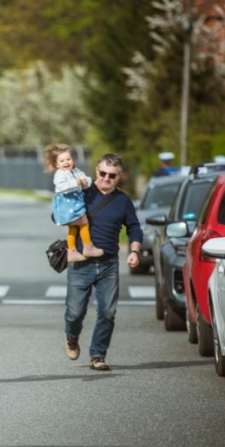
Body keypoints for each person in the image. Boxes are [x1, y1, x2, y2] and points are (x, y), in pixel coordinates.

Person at [63, 153, 143, 371]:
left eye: (112, 175)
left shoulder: (123, 201)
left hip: (109, 264)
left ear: (119, 177)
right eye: (103, 173)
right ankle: (71, 336)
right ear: (96, 170)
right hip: (81, 263)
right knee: (75, 312)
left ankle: (98, 355)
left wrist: (134, 250)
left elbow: (134, 228)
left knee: (107, 312)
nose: (107, 178)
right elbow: (58, 213)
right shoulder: (82, 193)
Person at [44, 144, 104, 263]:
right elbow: (61, 188)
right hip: (69, 205)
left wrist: (84, 181)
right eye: (62, 161)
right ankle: (88, 247)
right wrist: (76, 183)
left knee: (73, 228)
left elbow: (87, 179)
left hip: (75, 204)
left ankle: (71, 252)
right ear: (57, 164)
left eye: (68, 159)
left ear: (73, 160)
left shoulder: (75, 171)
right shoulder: (60, 174)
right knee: (84, 224)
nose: (66, 162)